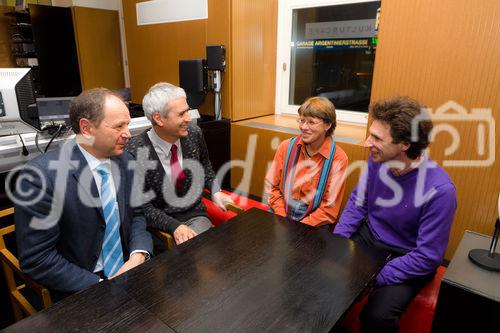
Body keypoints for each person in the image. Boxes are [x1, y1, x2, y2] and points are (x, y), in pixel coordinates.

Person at [13, 88, 153, 300]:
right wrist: (100, 285)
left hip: (130, 268)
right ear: (86, 128)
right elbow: (38, 259)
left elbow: (138, 215)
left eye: (128, 124)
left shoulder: (126, 161)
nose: (127, 133)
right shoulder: (39, 178)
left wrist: (138, 255)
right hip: (82, 284)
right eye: (118, 126)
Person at [333, 96, 457, 333]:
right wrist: (337, 243)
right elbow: (357, 204)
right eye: (370, 134)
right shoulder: (377, 160)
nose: (367, 142)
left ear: (405, 144)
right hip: (370, 239)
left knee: (377, 317)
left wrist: (374, 277)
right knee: (326, 285)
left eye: (377, 138)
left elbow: (429, 256)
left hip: (408, 255)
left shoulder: (440, 190)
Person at [126, 82, 233, 245]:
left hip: (194, 216)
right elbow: (142, 206)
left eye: (187, 111)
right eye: (181, 114)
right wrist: (174, 227)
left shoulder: (193, 134)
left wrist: (215, 189)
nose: (188, 118)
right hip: (157, 226)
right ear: (158, 118)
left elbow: (205, 167)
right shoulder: (136, 150)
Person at [265, 96, 348, 227]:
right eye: (302, 120)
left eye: (311, 122)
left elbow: (329, 210)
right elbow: (271, 187)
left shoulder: (339, 158)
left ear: (328, 125)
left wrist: (300, 227)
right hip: (281, 209)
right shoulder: (286, 147)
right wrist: (282, 217)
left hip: (315, 219)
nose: (303, 127)